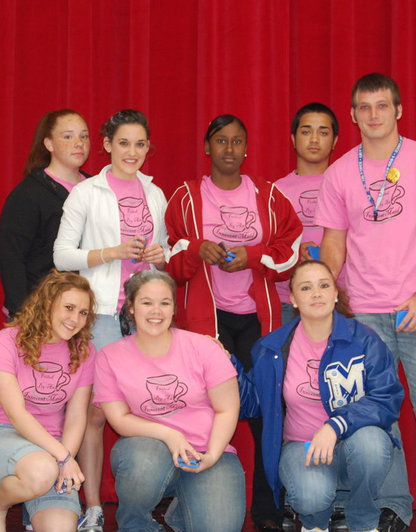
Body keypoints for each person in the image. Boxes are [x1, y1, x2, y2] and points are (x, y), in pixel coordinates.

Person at [316, 73, 416, 532]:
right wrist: (332, 297)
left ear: (399, 110)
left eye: (382, 106)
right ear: (353, 115)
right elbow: (333, 245)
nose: (374, 115)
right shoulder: (341, 171)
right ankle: (392, 505)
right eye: (364, 108)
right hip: (363, 311)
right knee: (377, 414)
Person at [165, 114, 302, 531]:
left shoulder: (269, 194)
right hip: (205, 324)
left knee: (266, 414)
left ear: (246, 149)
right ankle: (184, 504)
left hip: (258, 324)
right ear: (207, 148)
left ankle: (267, 509)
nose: (229, 149)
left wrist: (255, 254)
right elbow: (168, 260)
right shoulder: (186, 197)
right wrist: (197, 252)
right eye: (220, 141)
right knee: (199, 412)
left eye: (237, 142)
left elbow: (291, 252)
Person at [53, 109, 168, 531]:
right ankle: (94, 506)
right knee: (95, 414)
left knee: (149, 405)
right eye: (123, 143)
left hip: (144, 318)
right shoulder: (86, 193)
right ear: (106, 144)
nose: (132, 152)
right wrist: (112, 253)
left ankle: (147, 503)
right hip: (100, 313)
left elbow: (164, 250)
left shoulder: (155, 193)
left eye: (140, 144)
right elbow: (61, 256)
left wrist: (162, 255)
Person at [239, 260, 404, 532]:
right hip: (302, 447)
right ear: (292, 299)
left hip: (353, 442)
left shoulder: (364, 340)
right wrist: (227, 364)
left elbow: (387, 396)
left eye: (324, 285)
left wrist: (336, 425)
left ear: (336, 293)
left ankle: (363, 521)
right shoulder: (272, 347)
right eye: (306, 288)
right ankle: (314, 523)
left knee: (372, 444)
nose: (316, 293)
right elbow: (253, 405)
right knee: (311, 497)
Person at [93, 270, 245, 531]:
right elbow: (118, 419)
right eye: (146, 302)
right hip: (149, 450)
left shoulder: (205, 347)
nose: (156, 311)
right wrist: (169, 435)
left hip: (207, 451)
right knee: (142, 463)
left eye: (165, 303)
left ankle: (180, 513)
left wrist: (212, 454)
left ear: (174, 308)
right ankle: (136, 524)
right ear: (130, 307)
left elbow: (227, 409)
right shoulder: (109, 357)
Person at [0, 271, 96, 532]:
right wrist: (62, 458)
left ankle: (35, 501)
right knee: (41, 471)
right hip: (1, 435)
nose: (75, 319)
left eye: (83, 313)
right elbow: (17, 415)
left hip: (53, 449)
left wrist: (66, 458)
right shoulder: (5, 342)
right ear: (47, 303)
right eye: (69, 308)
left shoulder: (83, 351)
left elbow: (76, 416)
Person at [0, 109, 92, 318]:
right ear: (49, 144)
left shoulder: (98, 188)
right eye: (68, 136)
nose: (79, 143)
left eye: (84, 136)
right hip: (42, 309)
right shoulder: (28, 194)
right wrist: (23, 312)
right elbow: (11, 258)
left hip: (87, 309)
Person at [275, 103, 339, 326]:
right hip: (286, 300)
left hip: (337, 297)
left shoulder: (346, 184)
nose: (314, 139)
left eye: (323, 132)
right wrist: (292, 254)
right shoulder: (275, 191)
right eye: (306, 131)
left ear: (335, 141)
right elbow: (267, 248)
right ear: (293, 139)